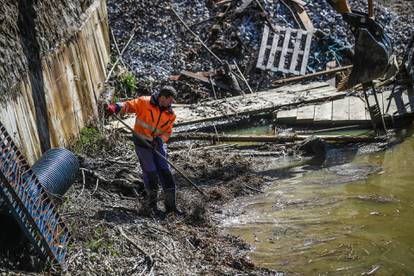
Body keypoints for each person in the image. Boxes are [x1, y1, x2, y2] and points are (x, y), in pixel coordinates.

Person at [106, 86, 183, 216]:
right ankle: (152, 207)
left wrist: (159, 141)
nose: (172, 104)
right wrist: (116, 107)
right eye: (170, 100)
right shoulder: (144, 102)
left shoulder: (170, 114)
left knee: (166, 172)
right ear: (162, 98)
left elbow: (167, 132)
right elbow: (128, 105)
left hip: (156, 145)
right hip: (142, 143)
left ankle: (171, 206)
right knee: (151, 174)